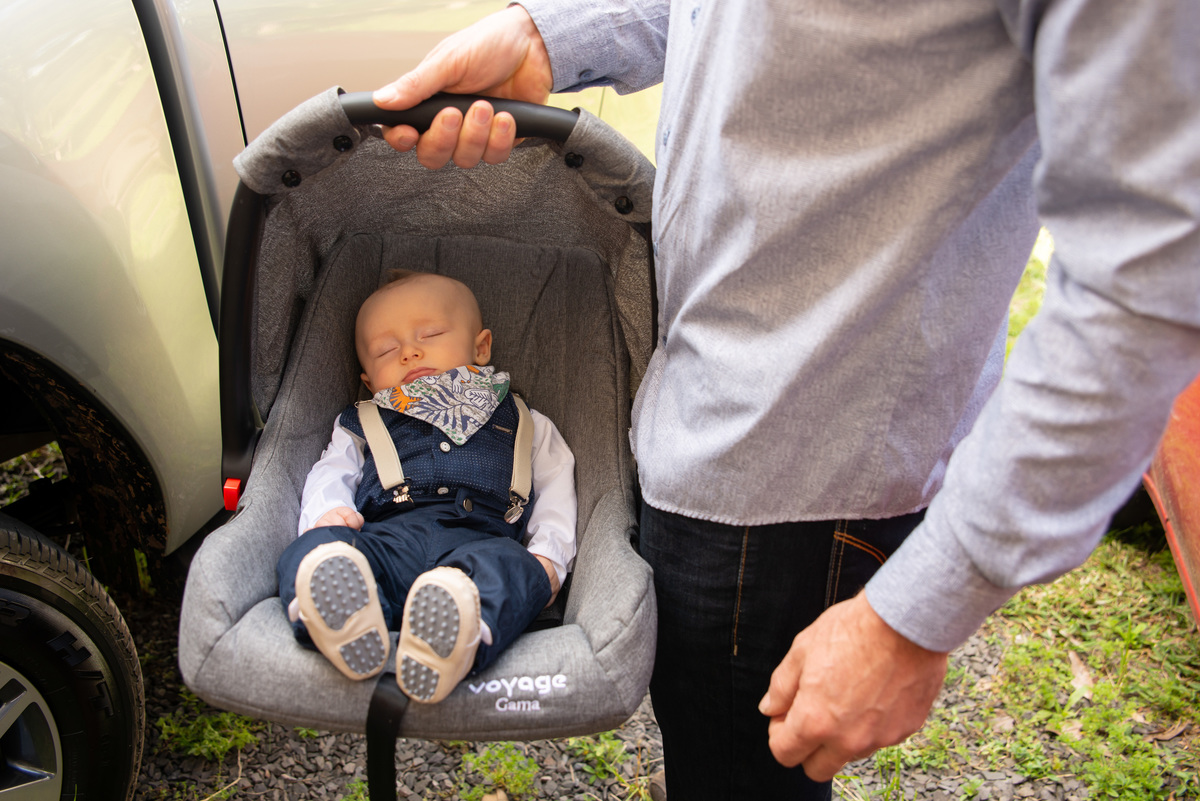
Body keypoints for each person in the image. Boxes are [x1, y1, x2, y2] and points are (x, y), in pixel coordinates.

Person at [369, 2, 1200, 797]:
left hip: (800, 463)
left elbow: (1153, 271)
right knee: (710, 729)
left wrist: (919, 611)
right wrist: (544, 35)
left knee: (739, 749)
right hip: (700, 408)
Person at [277, 270, 576, 704]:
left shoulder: (523, 419)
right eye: (386, 350)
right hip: (385, 537)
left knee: (515, 569)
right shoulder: (364, 419)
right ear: (366, 379)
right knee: (319, 549)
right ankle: (346, 613)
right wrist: (328, 515)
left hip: (485, 539)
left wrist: (549, 554)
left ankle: (455, 634)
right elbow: (330, 472)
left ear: (481, 346)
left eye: (430, 333)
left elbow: (556, 486)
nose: (409, 352)